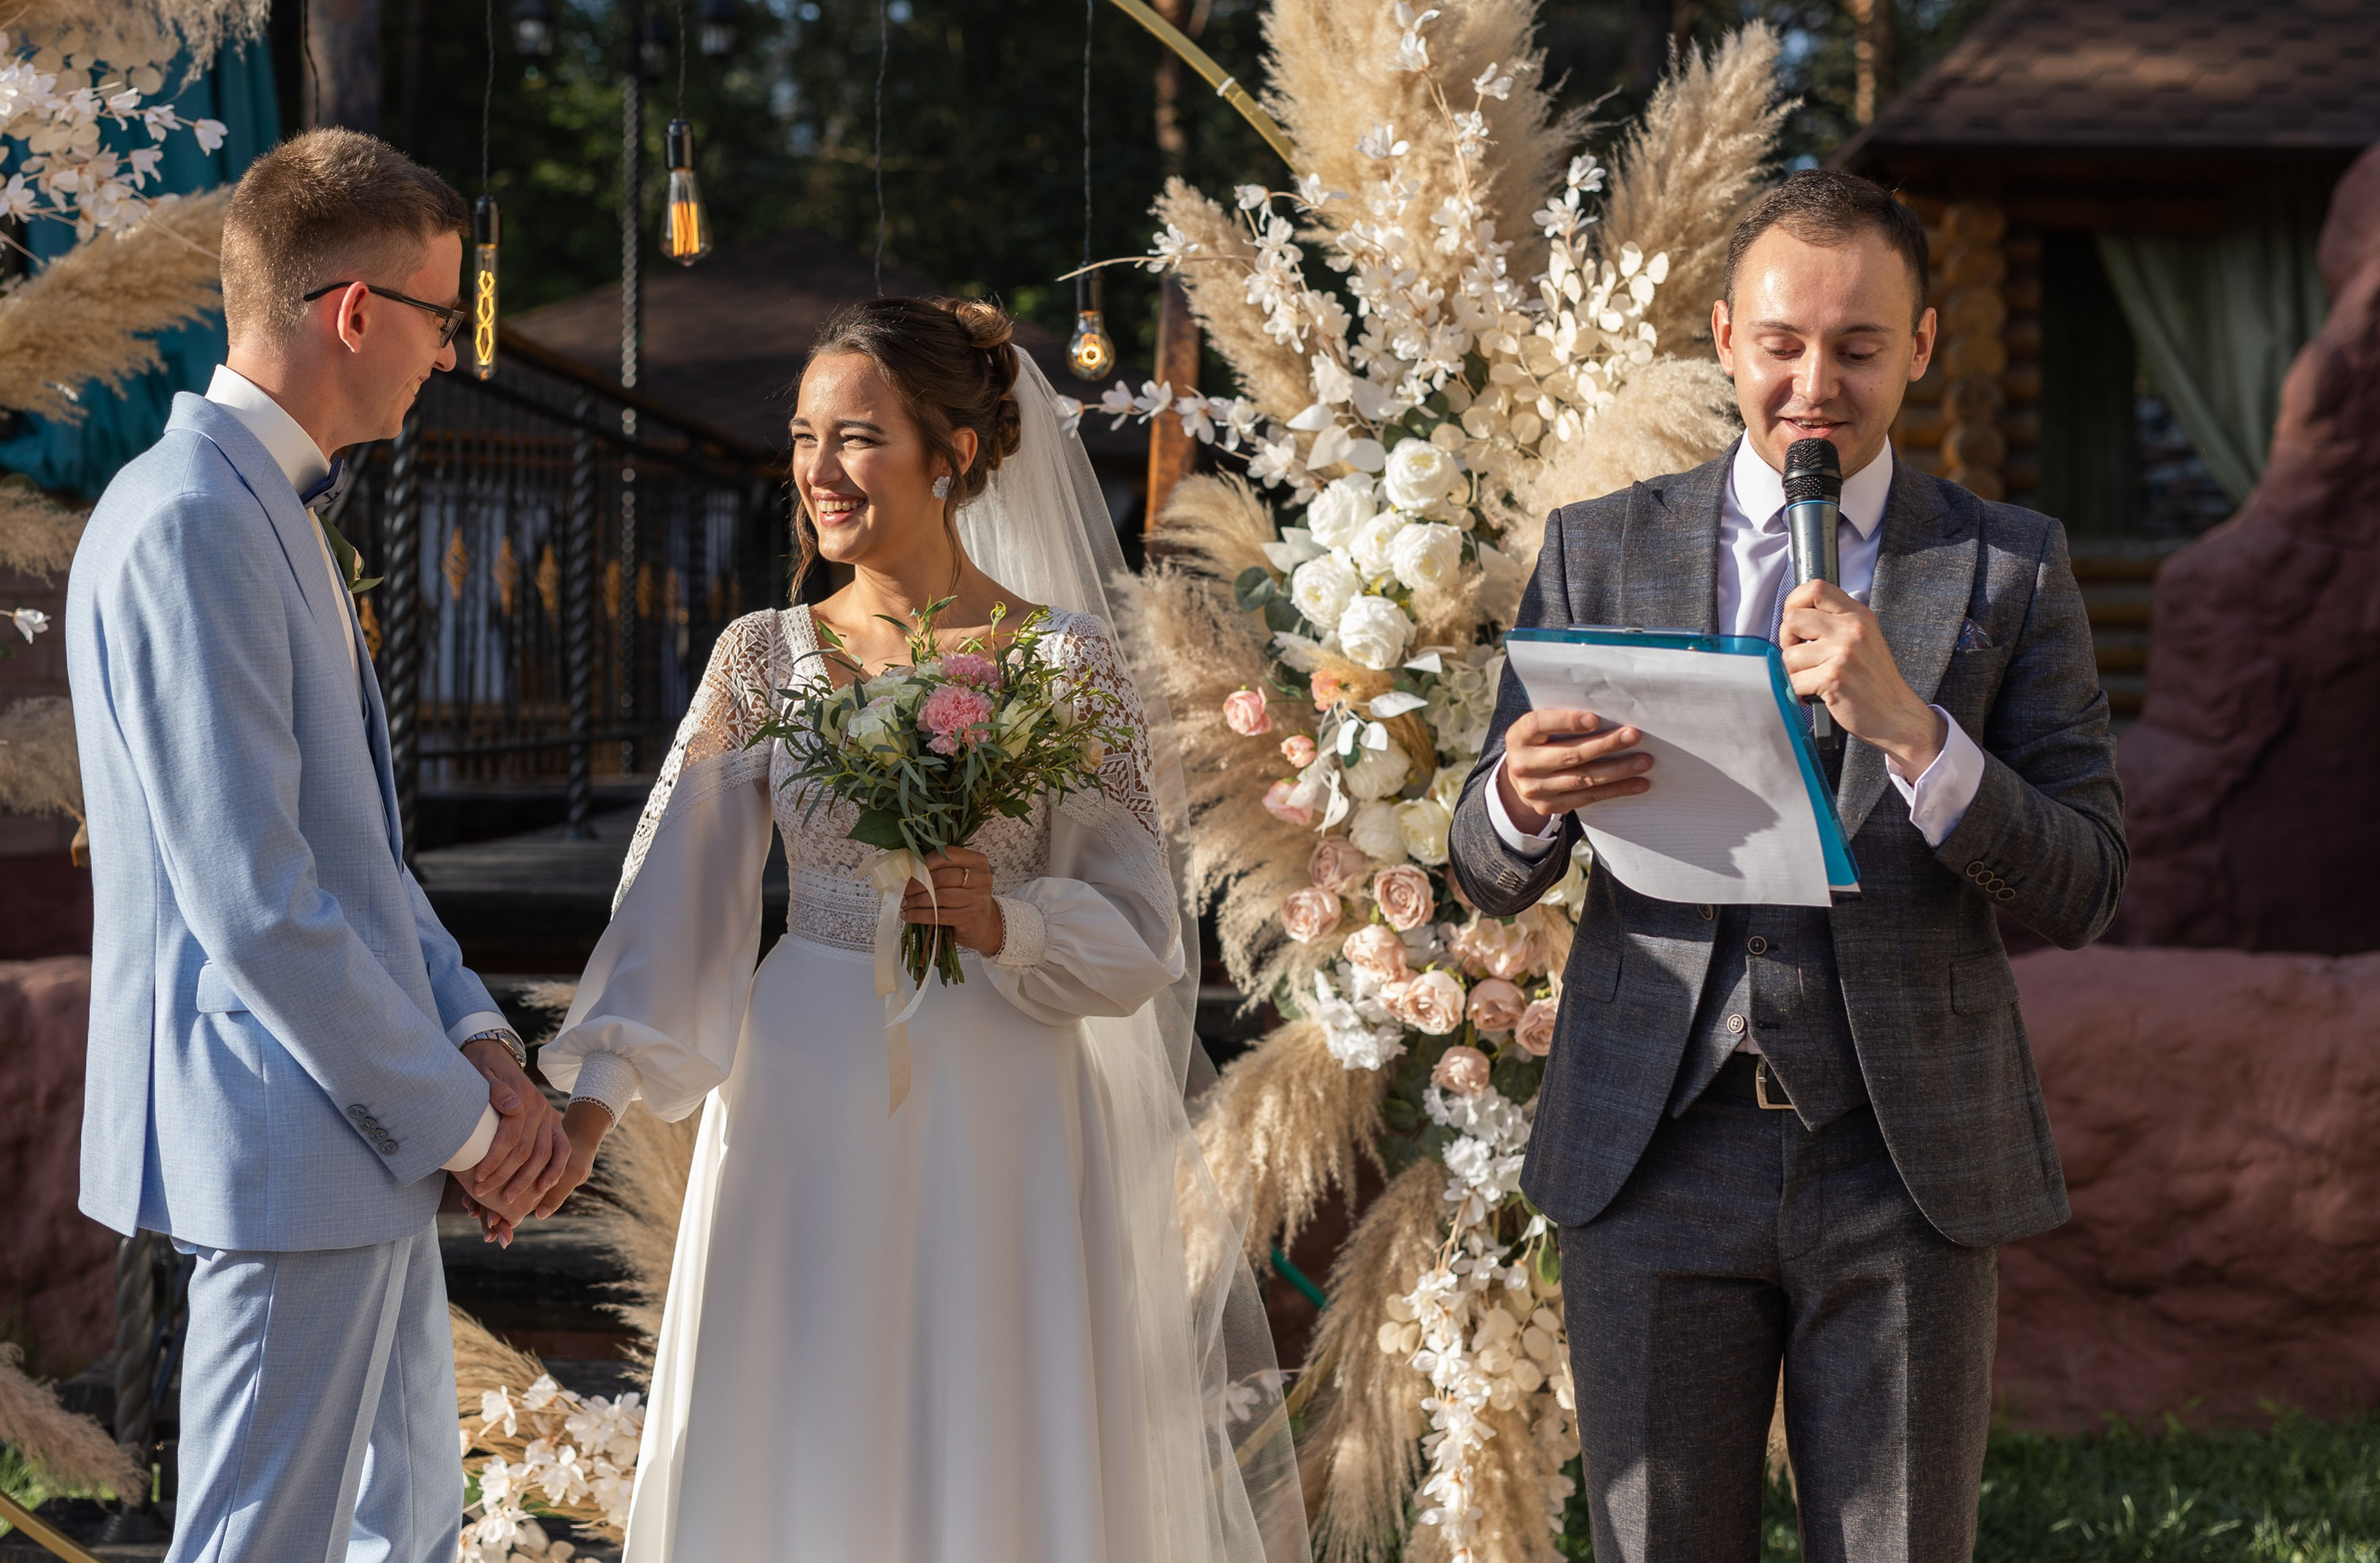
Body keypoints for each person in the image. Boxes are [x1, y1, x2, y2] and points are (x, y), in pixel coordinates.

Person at [533, 298, 1306, 1563]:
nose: (819, 473)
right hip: (803, 1084)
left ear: (953, 451)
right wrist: (585, 1108)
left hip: (1001, 1091)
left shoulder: (1067, 663)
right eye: (803, 438)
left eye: (857, 438)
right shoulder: (757, 658)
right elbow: (675, 902)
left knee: (991, 1417)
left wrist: (1009, 919)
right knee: (799, 1417)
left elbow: (1140, 932)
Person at [1446, 170, 2124, 1562]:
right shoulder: (1599, 544)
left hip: (1904, 1159)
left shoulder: (2008, 567)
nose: (1817, 383)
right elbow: (1485, 862)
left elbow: (2087, 878)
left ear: (1923, 343)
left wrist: (1919, 733)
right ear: (1723, 336)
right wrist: (1516, 794)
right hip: (1653, 1142)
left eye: (1861, 346)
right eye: (1783, 343)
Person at [68, 129, 569, 1563]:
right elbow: (258, 901)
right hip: (288, 1132)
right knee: (257, 1538)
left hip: (351, 1132)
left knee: (397, 1517)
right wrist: (470, 1127)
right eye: (442, 314)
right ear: (356, 310)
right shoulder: (189, 519)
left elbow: (355, 852)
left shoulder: (250, 507)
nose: (449, 356)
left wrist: (476, 1037)